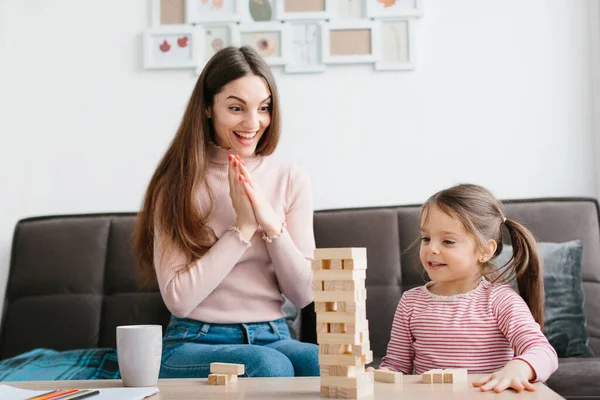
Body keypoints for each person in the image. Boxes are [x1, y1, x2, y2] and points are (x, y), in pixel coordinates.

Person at [134, 46, 319, 378]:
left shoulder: (290, 178)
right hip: (194, 339)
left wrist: (272, 227)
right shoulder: (176, 183)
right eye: (236, 108)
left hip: (274, 334)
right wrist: (242, 230)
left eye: (263, 108)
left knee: (325, 364)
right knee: (270, 366)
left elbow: (304, 294)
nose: (253, 122)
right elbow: (178, 299)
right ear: (207, 108)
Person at [375, 184, 558, 393]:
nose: (431, 249)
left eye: (448, 241)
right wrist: (379, 377)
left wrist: (519, 367)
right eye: (426, 238)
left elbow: (544, 352)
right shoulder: (411, 302)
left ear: (485, 251)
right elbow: (396, 366)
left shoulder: (501, 301)